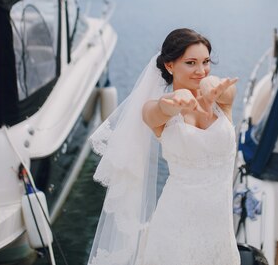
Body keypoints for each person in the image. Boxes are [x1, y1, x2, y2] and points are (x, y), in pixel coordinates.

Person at [88, 28, 240, 265]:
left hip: (219, 227)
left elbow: (227, 90)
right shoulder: (155, 110)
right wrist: (175, 101)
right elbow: (160, 109)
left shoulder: (222, 99)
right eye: (191, 63)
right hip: (177, 225)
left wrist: (213, 85)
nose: (201, 71)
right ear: (170, 66)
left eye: (206, 62)